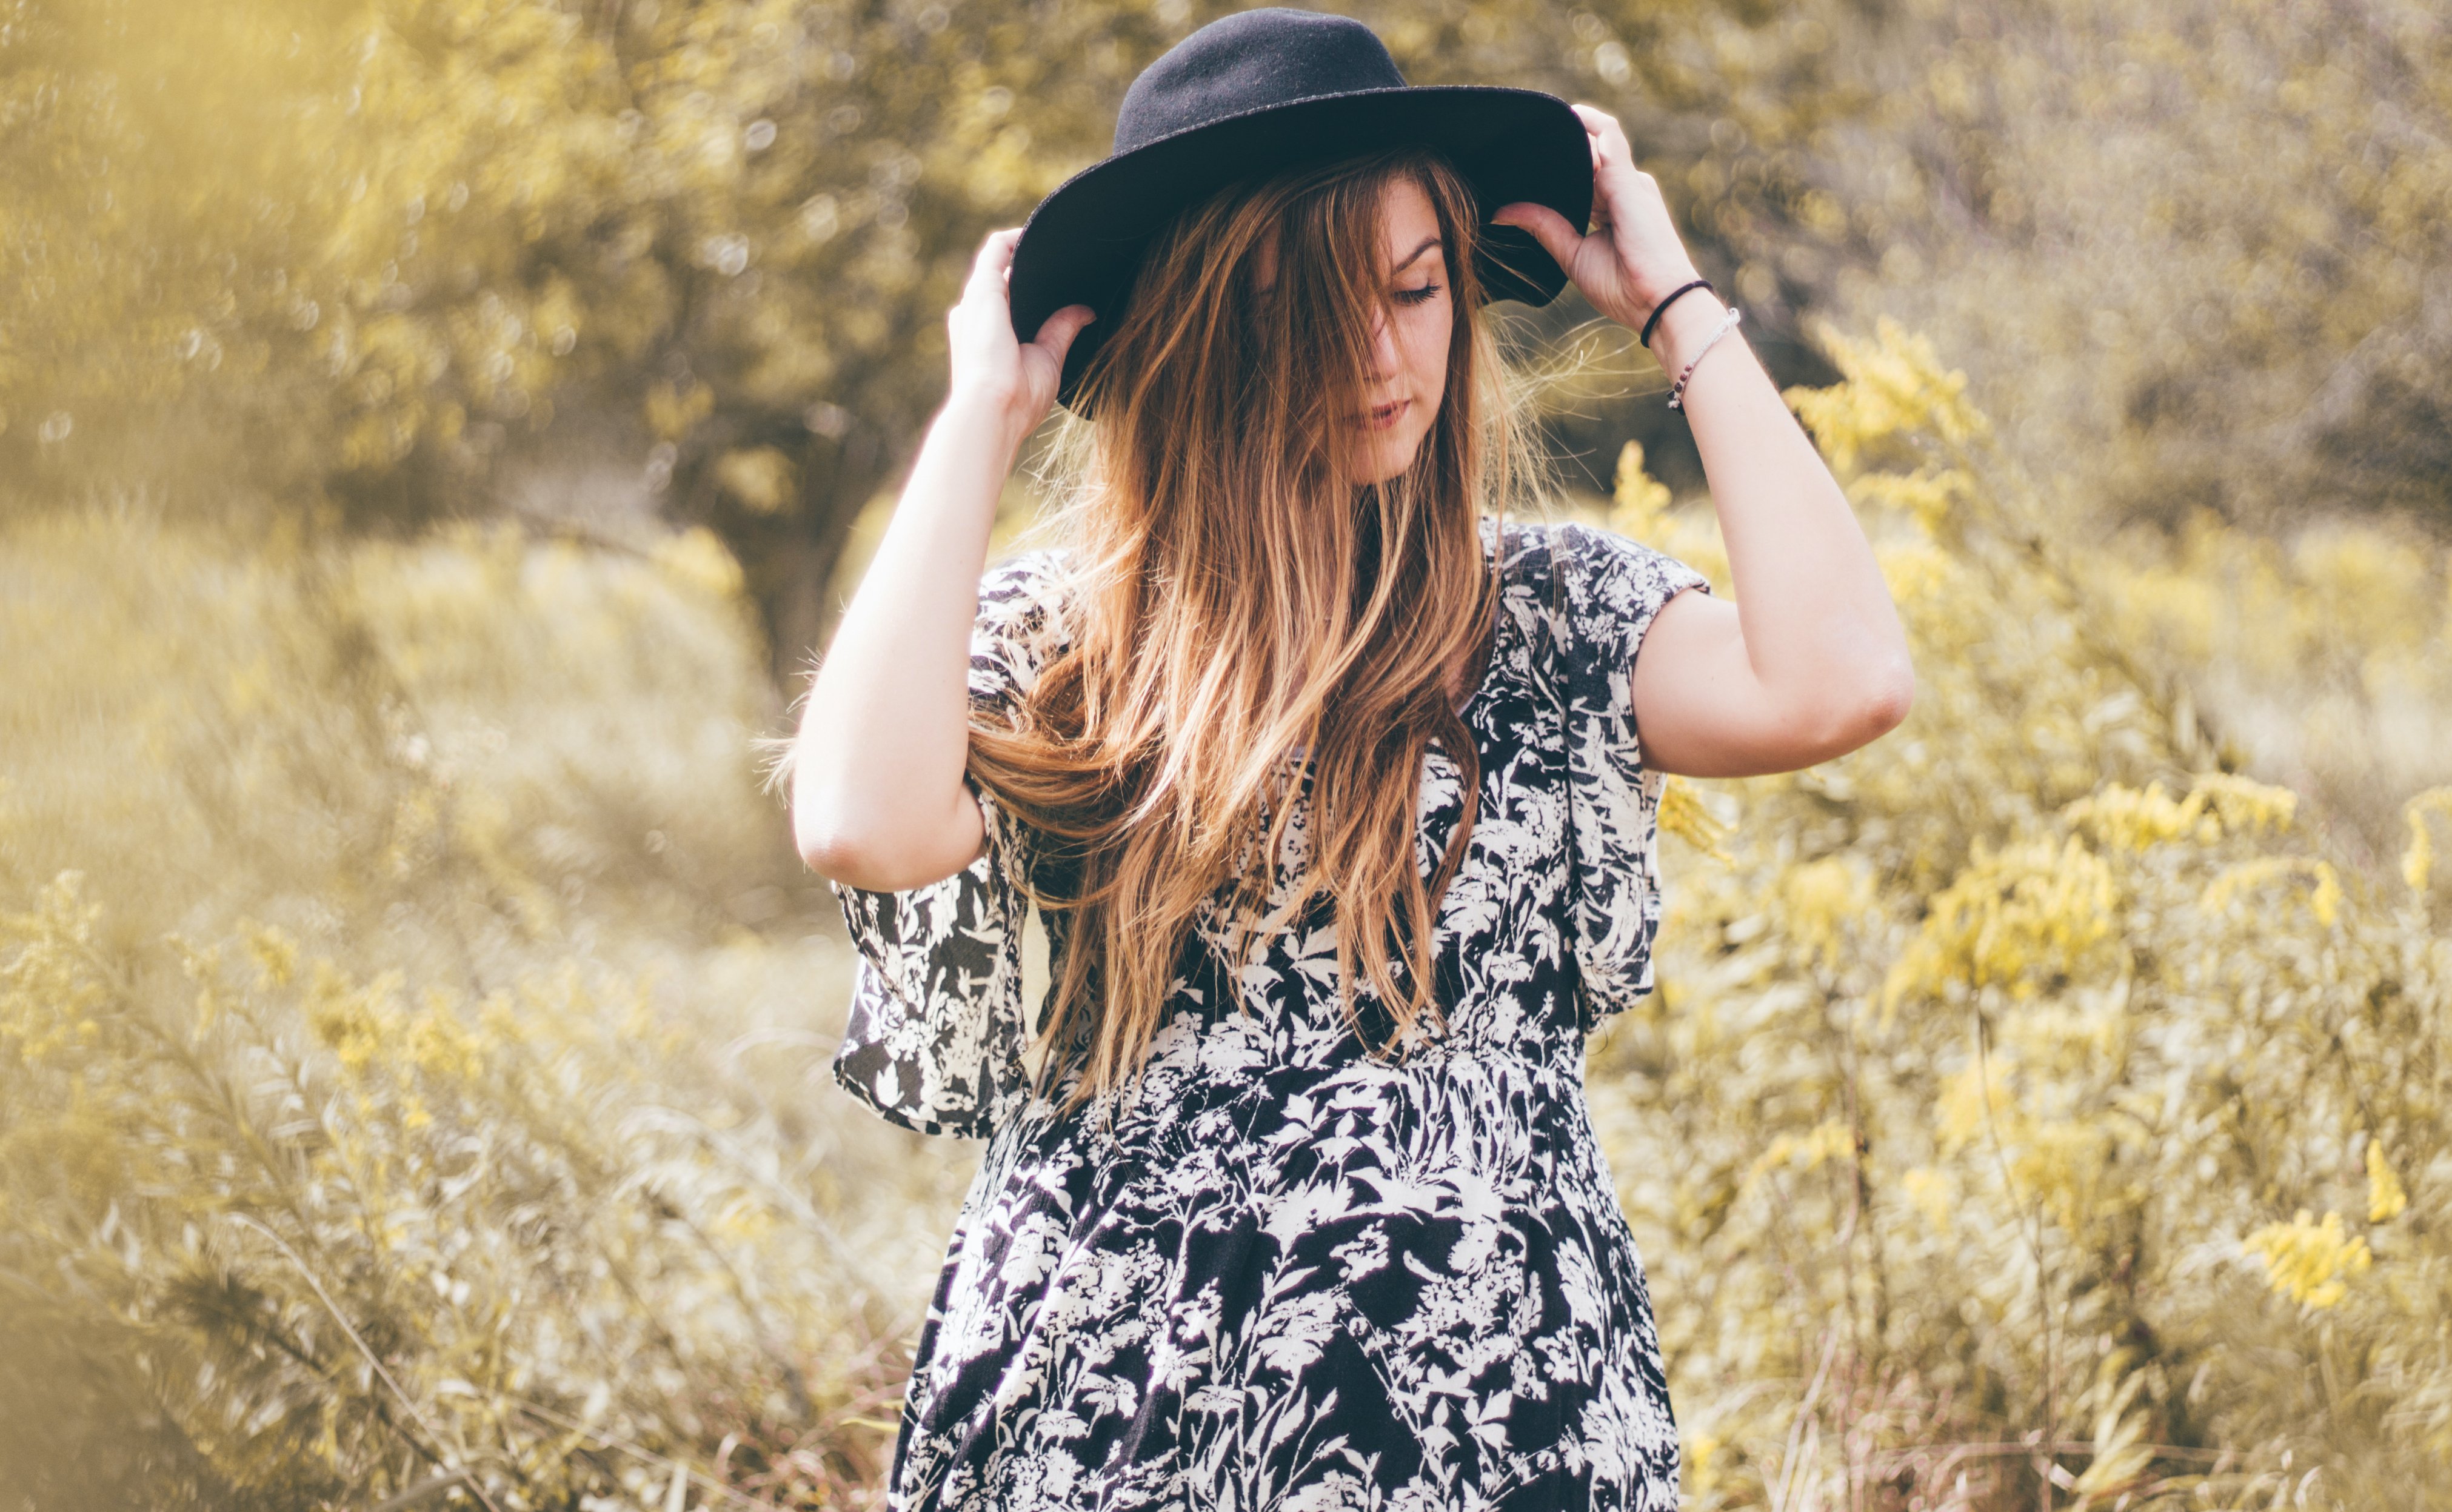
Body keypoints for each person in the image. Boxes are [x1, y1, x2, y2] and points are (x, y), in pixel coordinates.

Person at [785, 9, 1912, 1508]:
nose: (1385, 356)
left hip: (1496, 1414)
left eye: (1418, 287)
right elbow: (860, 823)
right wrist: (977, 426)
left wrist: (1677, 309)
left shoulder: (1550, 620)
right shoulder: (1061, 648)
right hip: (1119, 1424)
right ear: (1205, 332)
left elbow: (1841, 681)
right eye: (1321, 309)